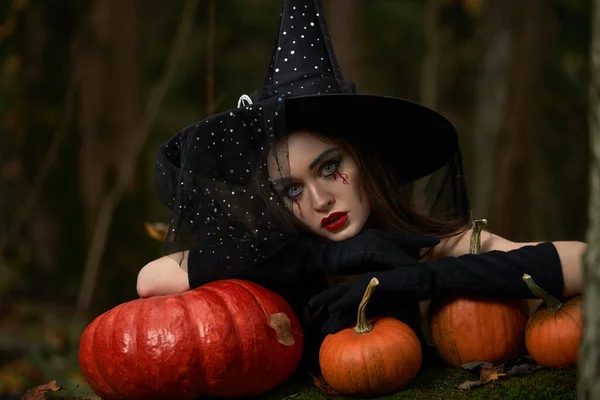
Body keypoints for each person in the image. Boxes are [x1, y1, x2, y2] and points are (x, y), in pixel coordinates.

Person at [137, 0, 585, 367]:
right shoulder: (274, 256)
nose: (318, 199)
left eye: (330, 167)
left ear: (364, 160)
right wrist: (325, 258)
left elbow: (584, 262)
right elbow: (152, 278)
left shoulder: (426, 245)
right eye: (291, 190)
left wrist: (418, 278)